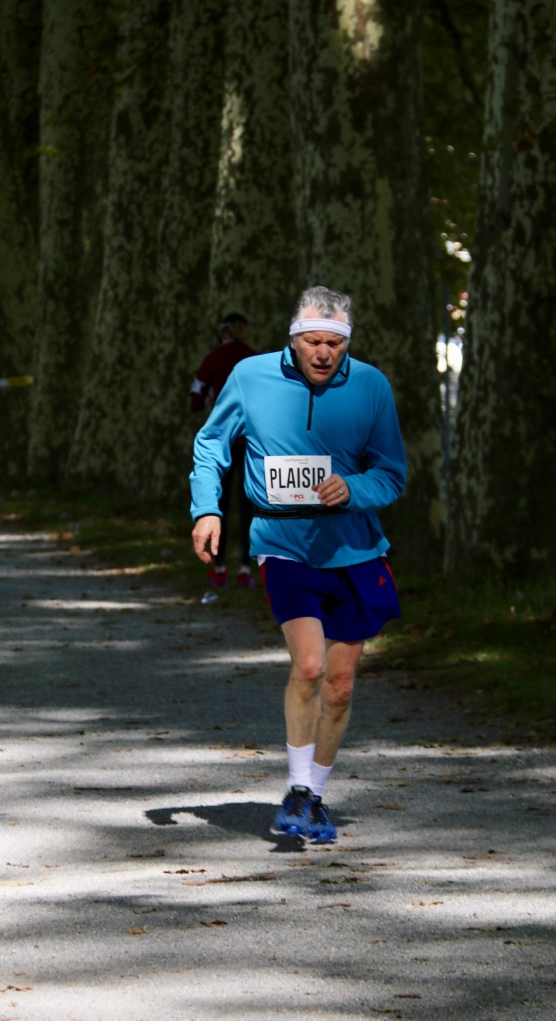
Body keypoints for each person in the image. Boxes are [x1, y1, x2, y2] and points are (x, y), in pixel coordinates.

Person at [190, 285, 407, 844]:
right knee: (309, 666)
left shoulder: (372, 386)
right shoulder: (251, 377)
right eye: (313, 342)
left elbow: (392, 473)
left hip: (354, 549)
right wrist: (207, 509)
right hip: (283, 542)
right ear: (294, 338)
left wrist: (353, 488)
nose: (323, 353)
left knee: (340, 684)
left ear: (347, 344)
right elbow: (211, 445)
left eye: (334, 344)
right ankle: (295, 790)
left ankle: (315, 798)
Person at [190, 313, 258, 590]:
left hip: (223, 442)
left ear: (223, 333)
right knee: (249, 505)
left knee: (219, 505)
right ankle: (245, 569)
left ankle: (219, 568)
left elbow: (195, 399)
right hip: (252, 442)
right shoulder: (255, 360)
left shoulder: (213, 360)